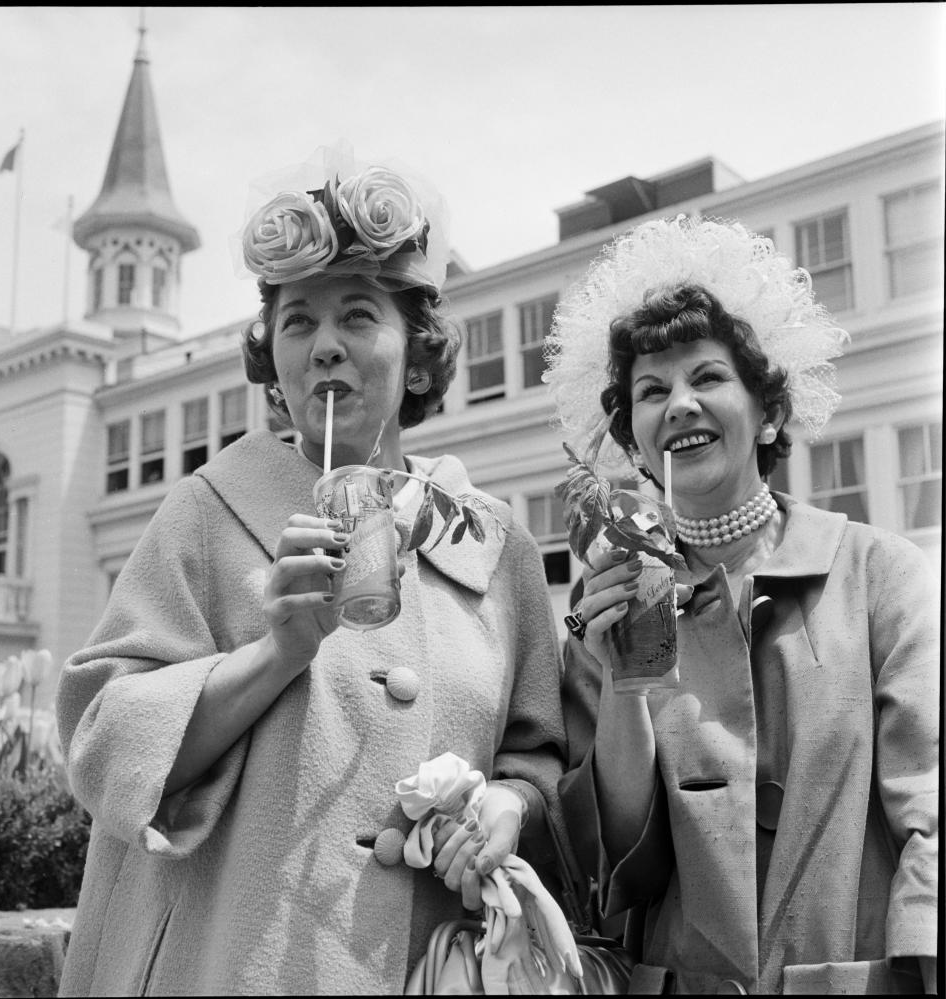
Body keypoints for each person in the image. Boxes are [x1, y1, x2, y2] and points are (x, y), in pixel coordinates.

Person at [55, 141, 567, 996]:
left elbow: (543, 761)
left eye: (359, 315)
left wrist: (511, 806)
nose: (324, 344)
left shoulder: (495, 545)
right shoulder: (206, 512)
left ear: (417, 348)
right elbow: (102, 747)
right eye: (298, 320)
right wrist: (275, 652)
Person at [544, 215, 939, 995]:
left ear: (771, 411)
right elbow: (613, 867)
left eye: (708, 378)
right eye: (651, 391)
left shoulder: (880, 572)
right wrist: (623, 689)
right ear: (633, 438)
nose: (679, 404)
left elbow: (929, 802)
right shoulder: (604, 612)